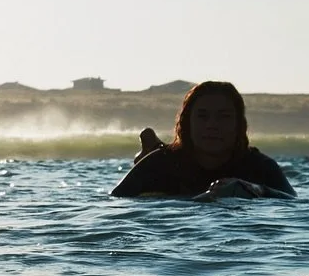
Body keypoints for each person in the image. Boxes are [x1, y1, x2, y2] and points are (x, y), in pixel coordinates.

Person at [112, 81, 295, 200]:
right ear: (187, 123)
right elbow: (116, 199)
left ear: (239, 124)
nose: (212, 125)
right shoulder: (158, 164)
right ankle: (152, 148)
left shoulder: (260, 166)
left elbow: (292, 202)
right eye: (202, 116)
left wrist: (254, 190)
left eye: (223, 117)